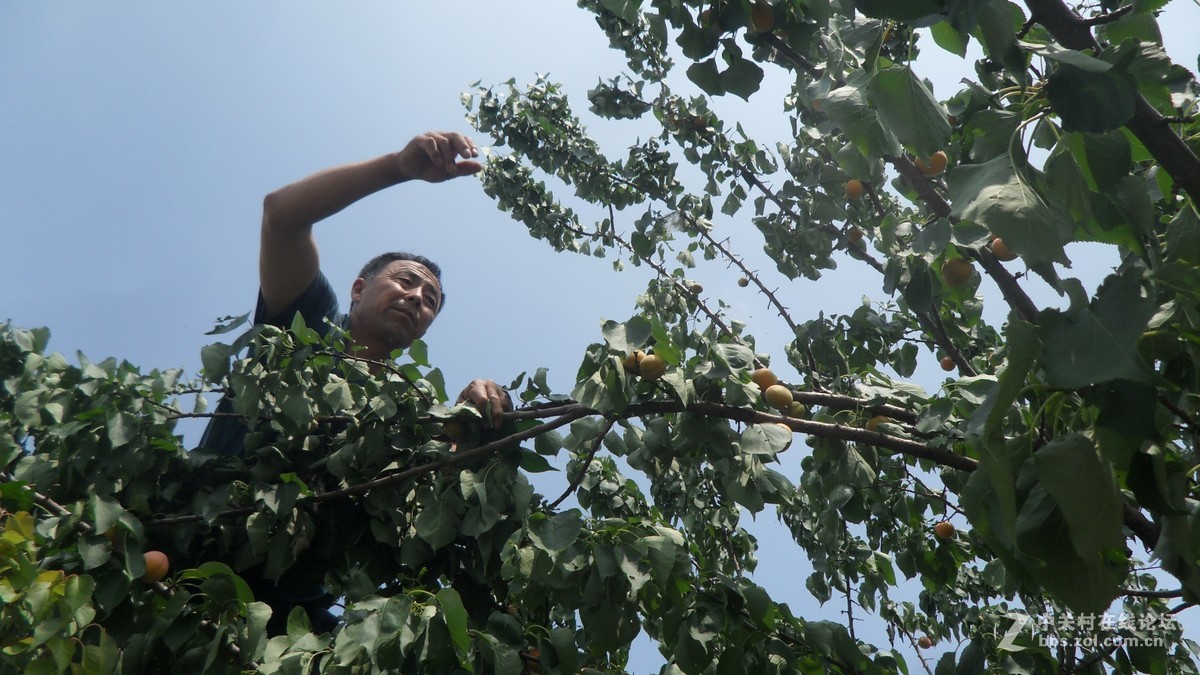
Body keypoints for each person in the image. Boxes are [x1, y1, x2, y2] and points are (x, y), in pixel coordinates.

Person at [197, 130, 513, 634]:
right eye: (406, 281)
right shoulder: (308, 323)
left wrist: (474, 418)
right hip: (189, 549)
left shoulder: (408, 408)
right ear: (360, 289)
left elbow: (431, 505)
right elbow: (281, 214)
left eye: (430, 299)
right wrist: (398, 167)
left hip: (289, 624)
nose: (417, 298)